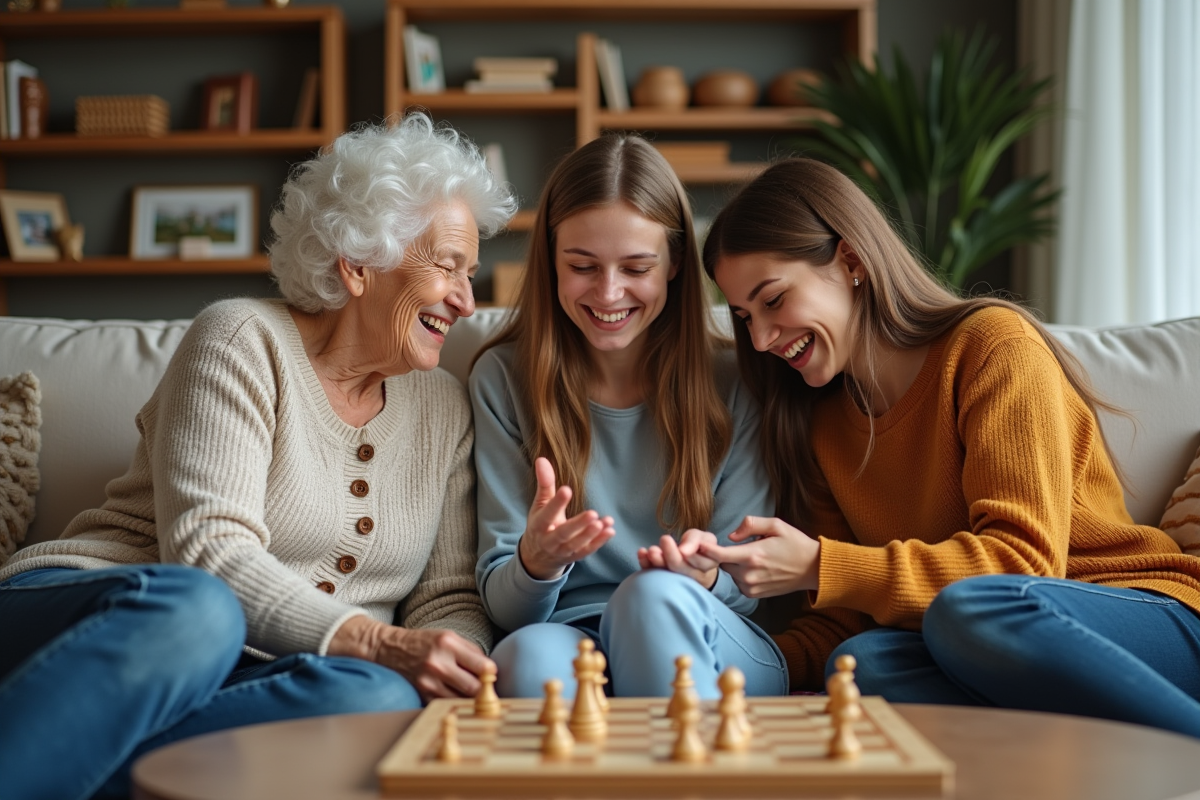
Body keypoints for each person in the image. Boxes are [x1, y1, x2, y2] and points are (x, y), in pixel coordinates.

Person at [0, 113, 516, 800]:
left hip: (255, 671)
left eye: (471, 273)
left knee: (374, 701)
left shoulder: (444, 407)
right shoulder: (241, 339)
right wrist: (374, 640)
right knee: (203, 611)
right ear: (358, 264)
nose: (465, 299)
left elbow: (444, 597)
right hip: (110, 615)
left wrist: (455, 665)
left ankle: (85, 760)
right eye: (448, 267)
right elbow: (209, 551)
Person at [695, 156, 1200, 736]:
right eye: (744, 316)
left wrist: (816, 563)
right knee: (860, 665)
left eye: (774, 300)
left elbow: (1022, 566)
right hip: (994, 645)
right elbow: (844, 617)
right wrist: (741, 662)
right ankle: (1074, 746)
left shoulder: (991, 349)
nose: (760, 338)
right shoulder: (820, 423)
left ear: (852, 261)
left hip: (1150, 616)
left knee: (968, 610)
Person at [470, 134, 786, 702]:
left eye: (636, 266)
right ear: (550, 263)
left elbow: (749, 586)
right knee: (524, 657)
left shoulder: (734, 381)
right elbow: (508, 610)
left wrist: (706, 574)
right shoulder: (502, 379)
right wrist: (535, 562)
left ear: (675, 265)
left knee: (650, 598)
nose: (609, 292)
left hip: (707, 630)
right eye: (583, 266)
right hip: (570, 632)